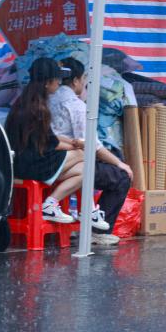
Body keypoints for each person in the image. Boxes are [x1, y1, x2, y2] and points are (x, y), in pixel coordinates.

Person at [49, 58, 133, 246]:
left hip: (46, 160)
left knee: (106, 162)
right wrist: (120, 164)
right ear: (76, 80)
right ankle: (97, 232)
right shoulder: (75, 105)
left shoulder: (47, 98)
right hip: (65, 165)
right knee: (122, 176)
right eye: (83, 80)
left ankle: (88, 216)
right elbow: (91, 146)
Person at [4, 58, 93, 226]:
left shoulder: (25, 102)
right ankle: (51, 205)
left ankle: (51, 203)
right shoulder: (38, 108)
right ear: (47, 83)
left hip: (21, 161)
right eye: (57, 79)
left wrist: (73, 142)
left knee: (85, 170)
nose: (59, 83)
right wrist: (77, 145)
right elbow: (53, 143)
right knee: (85, 155)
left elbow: (48, 137)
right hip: (30, 164)